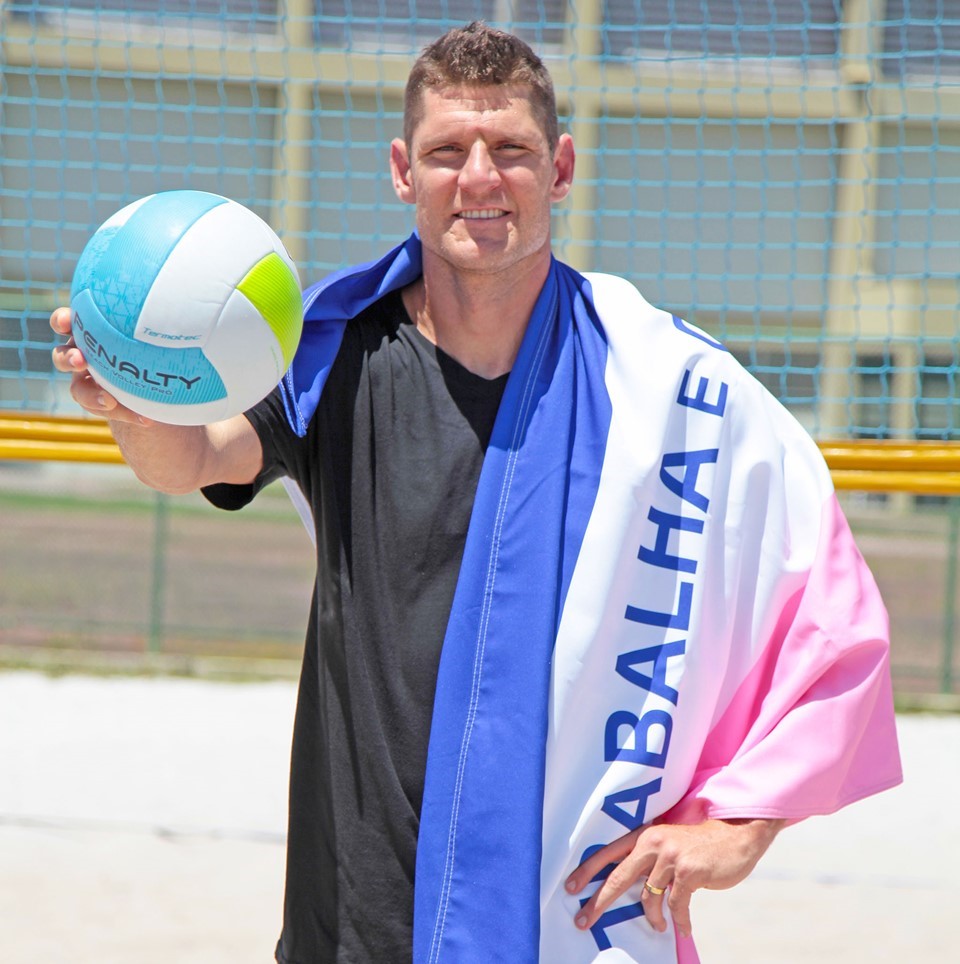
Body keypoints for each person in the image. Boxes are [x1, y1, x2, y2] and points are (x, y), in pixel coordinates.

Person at [52, 21, 902, 964]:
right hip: (353, 913)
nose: (480, 177)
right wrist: (128, 398)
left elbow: (831, 618)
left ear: (561, 169)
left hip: (562, 921)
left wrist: (741, 828)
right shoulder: (339, 351)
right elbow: (197, 457)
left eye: (512, 150)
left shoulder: (664, 386)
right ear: (403, 172)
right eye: (448, 151)